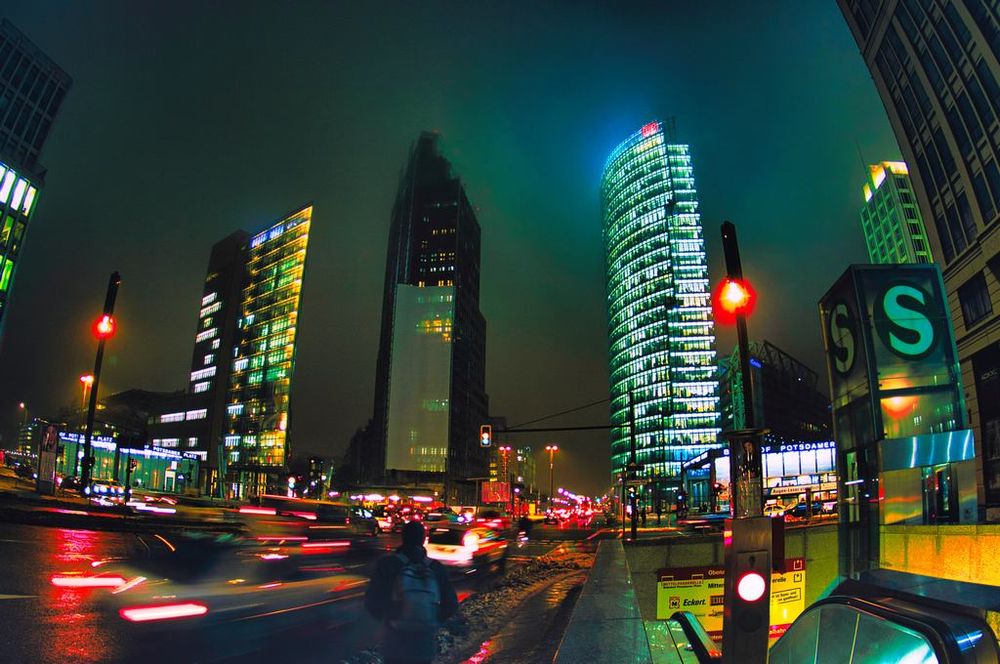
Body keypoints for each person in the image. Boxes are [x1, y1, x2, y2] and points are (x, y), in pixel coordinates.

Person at [365, 521, 459, 664]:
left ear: (403, 537)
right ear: (423, 539)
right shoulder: (435, 567)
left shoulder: (388, 564)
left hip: (395, 644)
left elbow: (372, 602)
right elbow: (451, 605)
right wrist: (431, 618)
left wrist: (391, 616)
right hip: (424, 646)